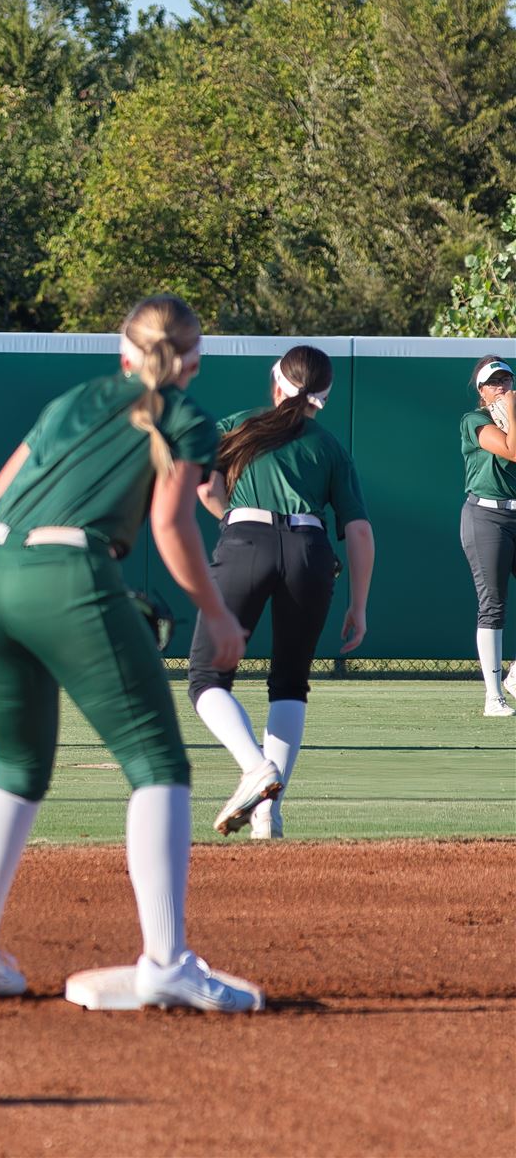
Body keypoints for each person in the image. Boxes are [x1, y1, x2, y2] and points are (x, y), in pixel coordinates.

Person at [0, 294, 263, 1012]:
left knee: (17, 769)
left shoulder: (70, 401)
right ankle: (167, 963)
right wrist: (218, 616)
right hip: (68, 576)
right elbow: (171, 526)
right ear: (194, 361)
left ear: (123, 353)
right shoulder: (185, 417)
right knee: (159, 765)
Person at [188, 346, 375, 839]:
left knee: (207, 678)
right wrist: (358, 605)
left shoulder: (236, 426)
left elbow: (205, 490)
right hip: (310, 552)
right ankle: (267, 814)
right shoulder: (330, 446)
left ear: (276, 383)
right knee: (290, 683)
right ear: (323, 398)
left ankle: (256, 769)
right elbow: (358, 531)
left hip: (245, 541)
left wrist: (232, 519)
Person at [460, 356, 516, 716]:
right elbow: (512, 449)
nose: (502, 387)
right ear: (481, 390)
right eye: (494, 382)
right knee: (493, 605)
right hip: (486, 516)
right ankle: (493, 697)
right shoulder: (474, 420)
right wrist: (511, 408)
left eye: (506, 380)